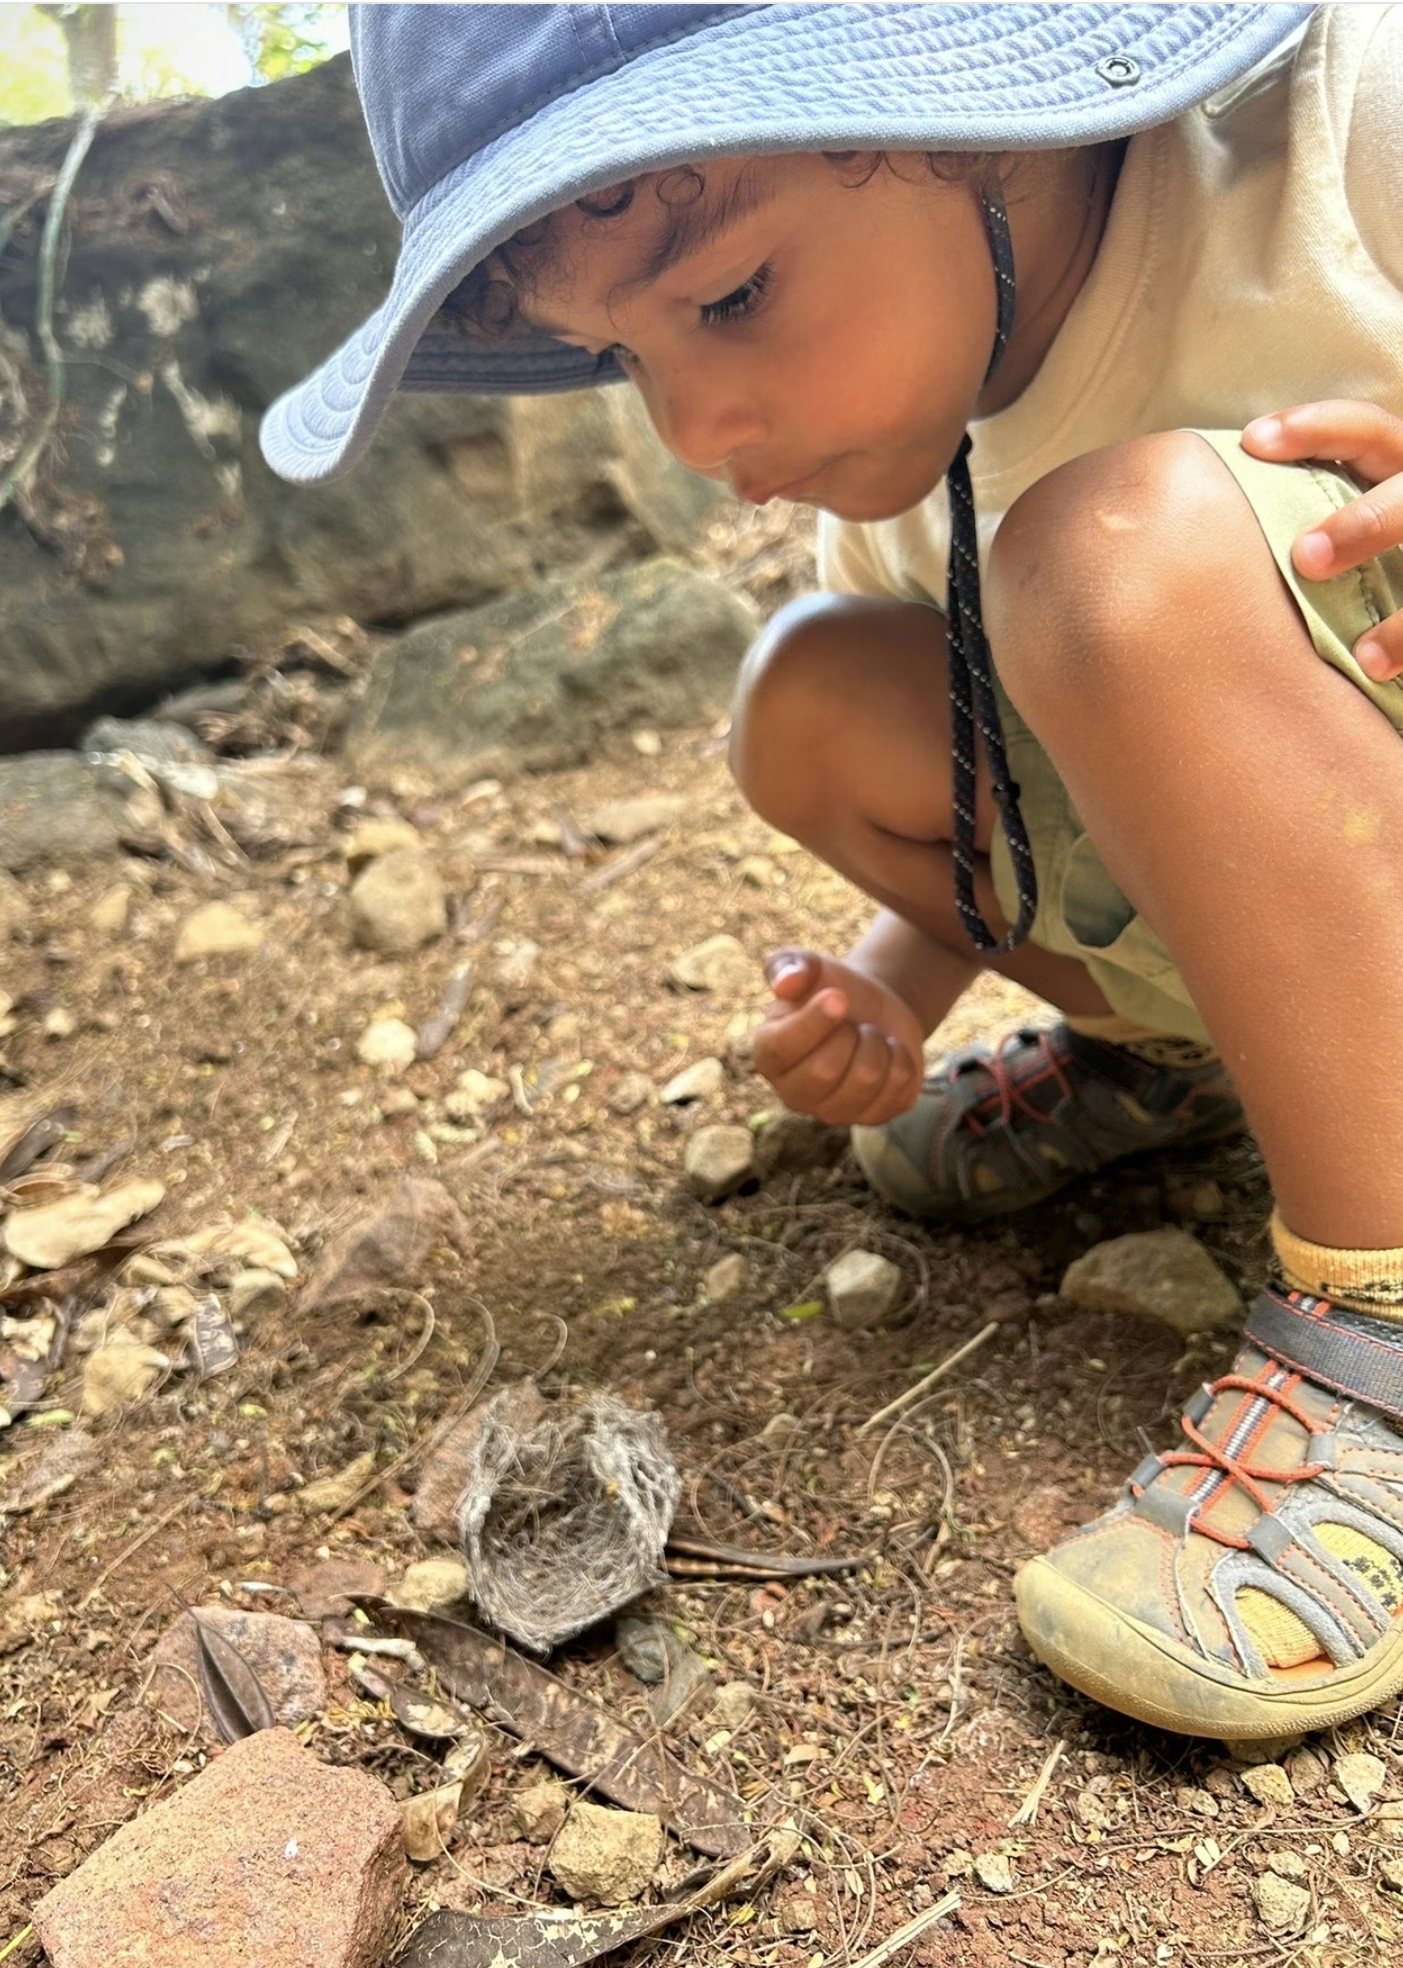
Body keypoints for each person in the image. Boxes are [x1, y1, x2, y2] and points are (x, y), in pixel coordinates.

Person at [262, 4, 1403, 1740]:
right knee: (813, 697)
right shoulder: (911, 475)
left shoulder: (1339, 130)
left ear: (972, 104)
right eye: (621, 358)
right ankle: (1197, 1060)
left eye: (729, 296)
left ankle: (1379, 1311)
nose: (692, 429)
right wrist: (891, 981)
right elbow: (1008, 777)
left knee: (1111, 562)